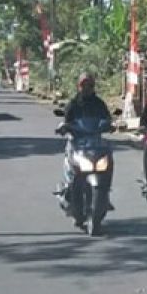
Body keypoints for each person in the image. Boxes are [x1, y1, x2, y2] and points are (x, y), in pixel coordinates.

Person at [57, 73, 115, 223]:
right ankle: (68, 189)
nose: (87, 88)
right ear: (79, 86)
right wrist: (64, 127)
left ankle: (104, 191)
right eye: (84, 85)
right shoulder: (73, 104)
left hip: (95, 142)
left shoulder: (99, 103)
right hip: (77, 142)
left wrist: (110, 125)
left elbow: (107, 118)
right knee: (71, 164)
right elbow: (66, 121)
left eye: (90, 85)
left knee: (108, 159)